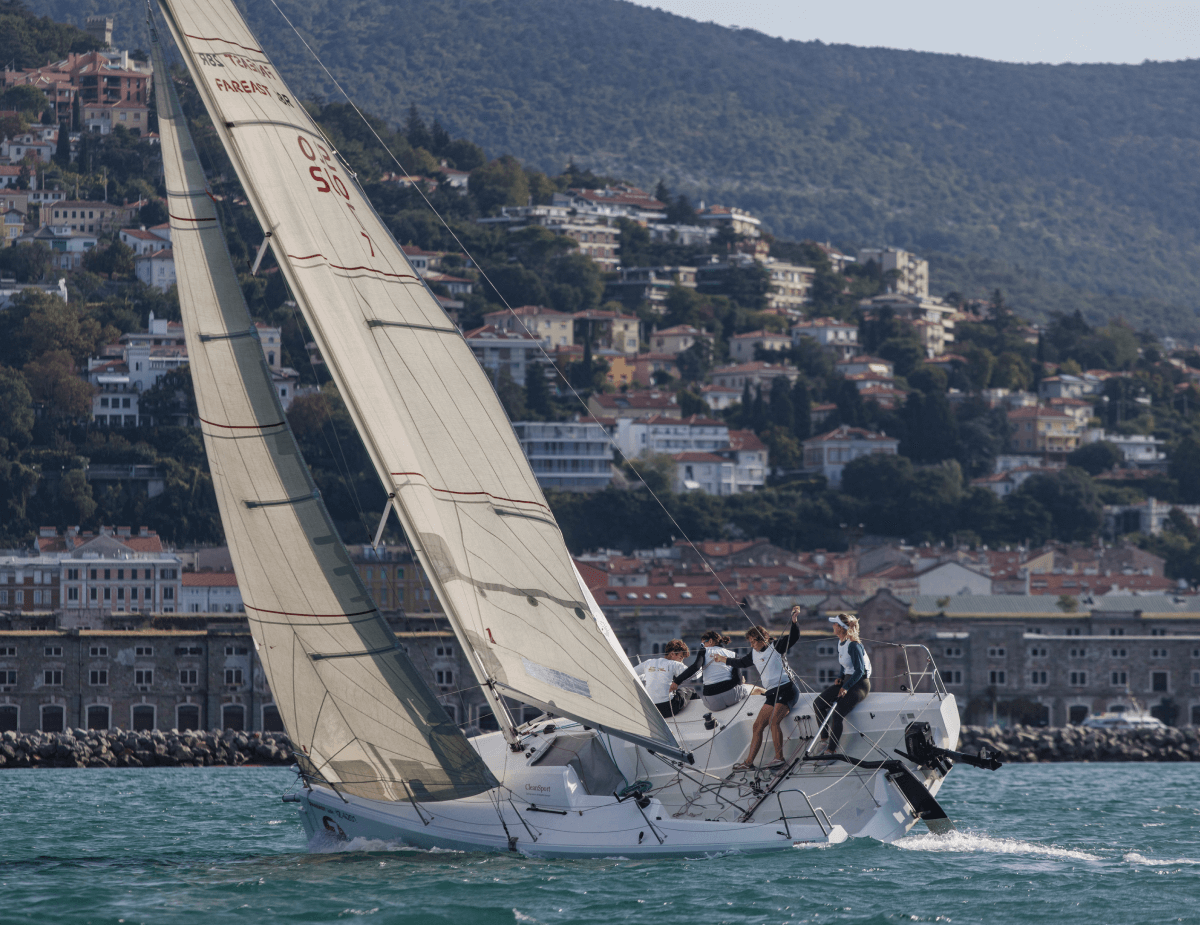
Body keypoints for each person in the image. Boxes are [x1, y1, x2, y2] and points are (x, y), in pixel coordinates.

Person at [712, 607, 801, 771]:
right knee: (757, 726)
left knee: (774, 721)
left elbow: (794, 637)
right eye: (750, 642)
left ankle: (779, 758)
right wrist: (722, 659)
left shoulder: (776, 646)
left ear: (763, 638)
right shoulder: (753, 654)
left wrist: (794, 620)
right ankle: (748, 763)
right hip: (772, 693)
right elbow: (740, 663)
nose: (752, 645)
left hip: (787, 690)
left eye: (754, 641)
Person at [813, 613, 873, 759]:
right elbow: (844, 665)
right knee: (818, 704)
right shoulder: (841, 642)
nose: (833, 626)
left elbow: (860, 671)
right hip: (847, 680)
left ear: (841, 628)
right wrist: (840, 678)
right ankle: (824, 739)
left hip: (859, 684)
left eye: (835, 624)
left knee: (837, 713)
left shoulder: (853, 645)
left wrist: (846, 687)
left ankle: (831, 750)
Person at [672, 630, 752, 712]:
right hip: (732, 697)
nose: (702, 646)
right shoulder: (733, 654)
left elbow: (695, 667)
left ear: (710, 641)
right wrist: (741, 681)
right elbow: (738, 680)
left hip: (713, 702)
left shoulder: (704, 651)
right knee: (753, 688)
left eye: (703, 644)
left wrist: (677, 681)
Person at [634, 639, 692, 717]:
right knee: (690, 691)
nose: (681, 661)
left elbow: (632, 672)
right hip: (668, 709)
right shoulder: (675, 664)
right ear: (672, 654)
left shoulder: (648, 662)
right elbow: (694, 675)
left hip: (650, 709)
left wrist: (646, 677)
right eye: (681, 657)